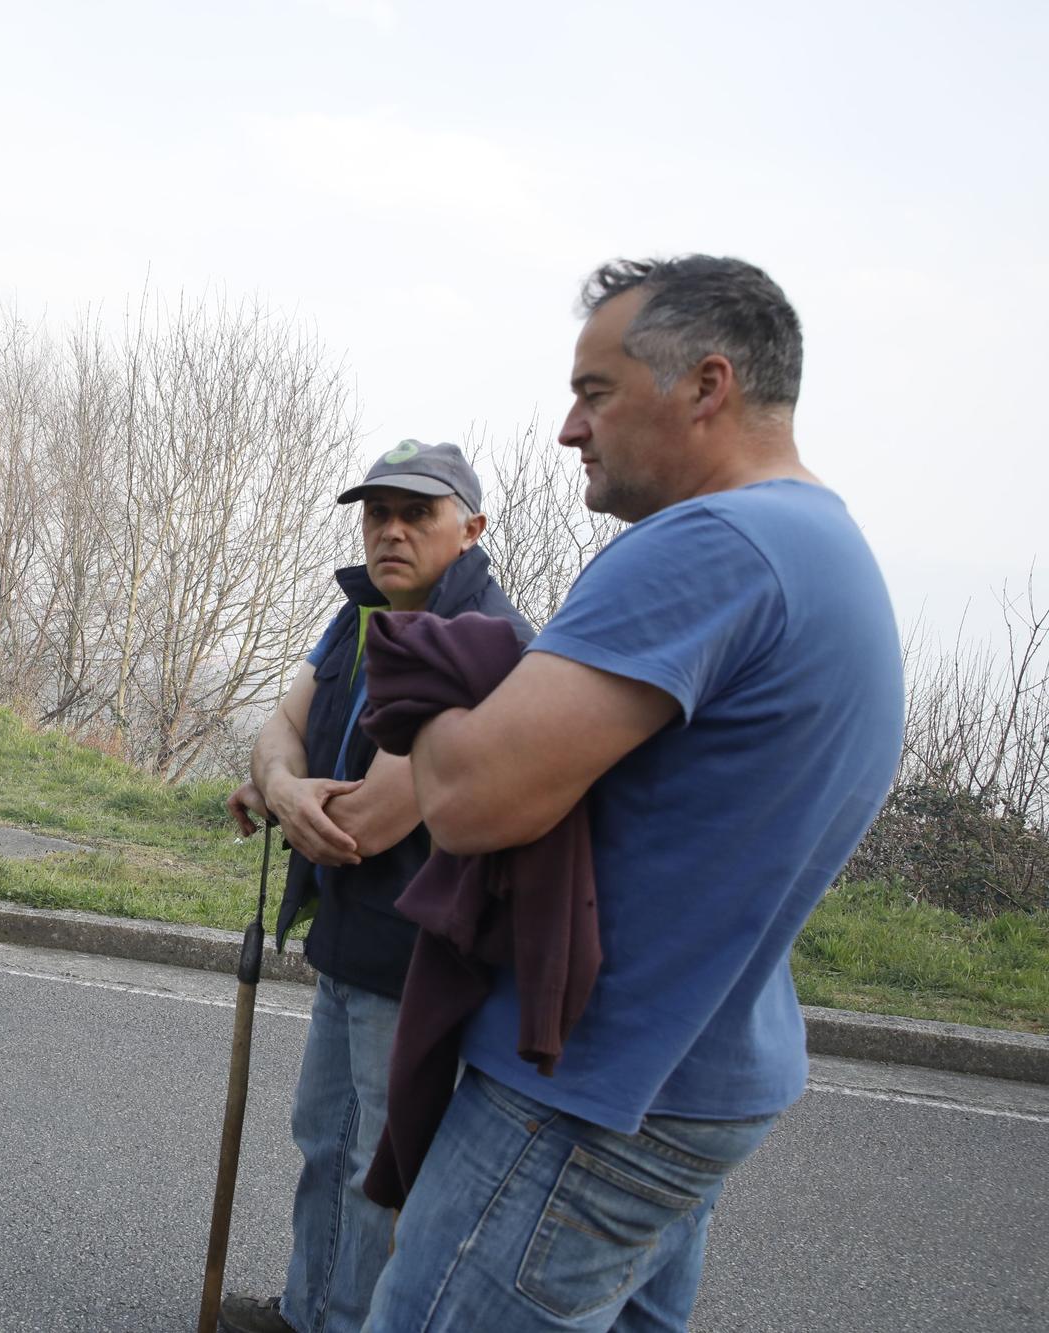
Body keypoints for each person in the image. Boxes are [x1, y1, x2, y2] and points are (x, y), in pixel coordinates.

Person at [358, 257, 903, 1333]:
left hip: (583, 1097)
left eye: (594, 391)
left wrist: (420, 686)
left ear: (706, 387)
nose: (568, 428)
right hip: (698, 1074)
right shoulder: (825, 545)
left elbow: (466, 800)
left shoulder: (709, 548)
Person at [219, 442, 532, 1333]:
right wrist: (281, 782)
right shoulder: (359, 613)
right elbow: (281, 726)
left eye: (417, 513)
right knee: (328, 1142)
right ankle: (309, 1308)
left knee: (374, 1162)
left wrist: (288, 788)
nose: (390, 530)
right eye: (376, 513)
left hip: (414, 953)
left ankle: (342, 1322)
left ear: (470, 528)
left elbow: (366, 822)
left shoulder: (481, 642)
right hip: (355, 939)